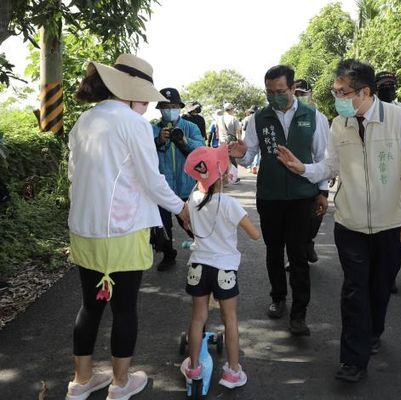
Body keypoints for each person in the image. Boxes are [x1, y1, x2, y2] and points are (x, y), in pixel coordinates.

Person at [276, 59, 401, 381]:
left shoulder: (399, 119)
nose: (337, 98)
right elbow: (330, 167)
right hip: (350, 223)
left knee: (380, 287)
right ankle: (352, 360)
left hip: (391, 224)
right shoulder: (338, 125)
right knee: (354, 291)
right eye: (335, 92)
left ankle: (374, 331)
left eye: (343, 92)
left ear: (365, 92)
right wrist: (303, 168)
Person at [66, 54, 190, 400]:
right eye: (146, 98)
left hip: (84, 229)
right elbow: (152, 180)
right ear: (132, 92)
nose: (149, 106)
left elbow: (74, 175)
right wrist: (181, 208)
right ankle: (120, 384)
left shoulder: (85, 121)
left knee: (90, 306)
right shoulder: (133, 124)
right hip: (122, 230)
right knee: (124, 308)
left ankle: (81, 381)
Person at [228, 65, 329, 336]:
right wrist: (238, 154)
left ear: (293, 87)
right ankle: (278, 298)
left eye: (280, 91)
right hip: (270, 197)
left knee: (297, 254)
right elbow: (248, 157)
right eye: (269, 92)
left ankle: (299, 313)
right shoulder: (259, 118)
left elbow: (323, 158)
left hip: (301, 197)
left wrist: (323, 191)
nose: (274, 96)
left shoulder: (314, 117)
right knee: (274, 251)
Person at [179, 146, 260, 389]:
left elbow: (187, 223)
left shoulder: (191, 201)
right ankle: (233, 372)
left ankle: (193, 368)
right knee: (230, 319)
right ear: (222, 174)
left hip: (198, 266)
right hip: (224, 269)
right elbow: (255, 235)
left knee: (197, 318)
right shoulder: (229, 203)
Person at [152, 88, 204, 271]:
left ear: (180, 108)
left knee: (190, 223)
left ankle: (204, 252)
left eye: (173, 106)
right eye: (165, 106)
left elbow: (202, 149)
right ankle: (168, 255)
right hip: (162, 188)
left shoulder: (190, 127)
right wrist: (158, 141)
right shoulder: (152, 128)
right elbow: (143, 153)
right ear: (159, 109)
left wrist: (184, 141)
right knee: (163, 226)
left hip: (186, 186)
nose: (169, 110)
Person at [374, 70, 401, 294]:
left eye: (391, 85)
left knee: (394, 235)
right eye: (384, 85)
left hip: (396, 180)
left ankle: (390, 275)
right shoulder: (369, 110)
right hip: (374, 179)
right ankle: (376, 272)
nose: (388, 89)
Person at [294, 78, 329, 263]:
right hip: (292, 182)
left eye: (303, 94)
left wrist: (323, 190)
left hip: (313, 180)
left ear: (310, 94)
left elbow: (323, 154)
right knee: (294, 226)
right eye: (296, 94)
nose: (299, 97)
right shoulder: (286, 117)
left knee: (312, 221)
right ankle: (297, 255)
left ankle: (308, 243)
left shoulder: (318, 117)